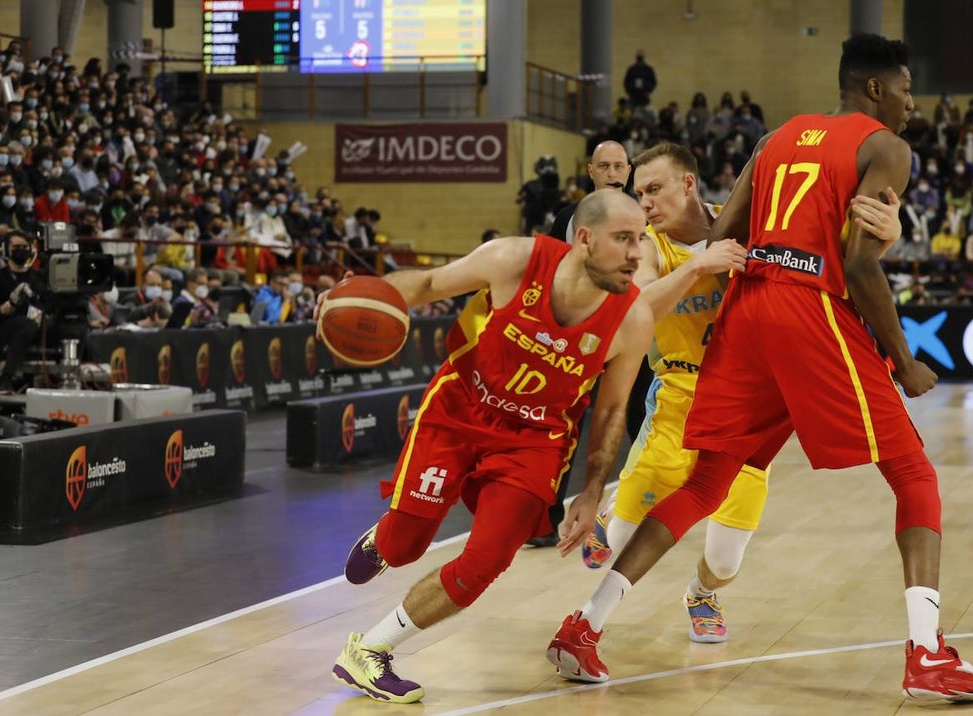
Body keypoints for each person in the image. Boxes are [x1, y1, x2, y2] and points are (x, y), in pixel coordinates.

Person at [547, 34, 973, 703]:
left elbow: (720, 237)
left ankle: (582, 628)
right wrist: (904, 359)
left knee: (707, 483)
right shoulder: (885, 147)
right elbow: (856, 262)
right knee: (913, 472)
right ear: (875, 89)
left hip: (747, 310)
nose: (913, 103)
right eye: (907, 90)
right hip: (807, 310)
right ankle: (928, 654)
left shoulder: (777, 138)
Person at [327, 190, 654, 704]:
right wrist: (369, 295)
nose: (637, 253)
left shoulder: (632, 319)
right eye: (624, 239)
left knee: (487, 560)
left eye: (641, 240)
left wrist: (591, 494)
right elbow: (430, 283)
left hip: (535, 441)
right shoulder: (515, 259)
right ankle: (388, 538)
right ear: (585, 239)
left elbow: (612, 412)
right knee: (405, 546)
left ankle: (369, 651)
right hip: (460, 409)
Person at [578, 141, 906, 646]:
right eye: (637, 192)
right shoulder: (644, 245)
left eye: (654, 189)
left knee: (726, 559)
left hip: (747, 402)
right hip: (679, 398)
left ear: (688, 184)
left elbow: (833, 265)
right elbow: (635, 308)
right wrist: (698, 266)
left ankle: (702, 593)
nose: (643, 202)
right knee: (622, 542)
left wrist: (885, 240)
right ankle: (611, 526)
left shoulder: (754, 227)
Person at [530, 140, 636, 549]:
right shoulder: (566, 220)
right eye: (604, 165)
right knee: (565, 426)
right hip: (582, 339)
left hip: (632, 338)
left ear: (628, 171)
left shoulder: (646, 216)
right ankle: (544, 519)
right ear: (590, 170)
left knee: (640, 426)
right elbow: (552, 276)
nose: (612, 173)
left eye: (618, 166)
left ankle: (638, 512)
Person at [0, 230, 47, 393]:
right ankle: (7, 377)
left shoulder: (38, 277)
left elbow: (46, 305)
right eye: (16, 246)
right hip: (5, 326)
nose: (21, 250)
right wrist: (3, 308)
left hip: (37, 328)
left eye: (25, 246)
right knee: (27, 325)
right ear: (6, 250)